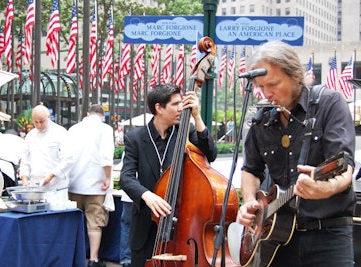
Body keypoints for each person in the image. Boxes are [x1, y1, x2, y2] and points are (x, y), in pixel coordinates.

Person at [237, 41, 355, 267]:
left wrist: (325, 188)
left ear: (296, 75)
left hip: (328, 235)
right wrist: (250, 203)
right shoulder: (262, 119)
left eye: (273, 84)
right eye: (260, 87)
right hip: (277, 240)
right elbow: (251, 169)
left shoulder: (328, 104)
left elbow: (344, 165)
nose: (266, 93)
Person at [119, 84, 217, 267]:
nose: (181, 108)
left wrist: (196, 116)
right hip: (146, 227)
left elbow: (211, 153)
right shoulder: (135, 138)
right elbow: (126, 177)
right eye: (176, 104)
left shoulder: (186, 131)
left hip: (181, 225)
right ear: (159, 108)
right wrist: (146, 195)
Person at [67, 104, 114, 267]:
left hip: (73, 183)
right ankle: (93, 259)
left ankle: (73, 257)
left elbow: (66, 156)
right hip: (96, 184)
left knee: (73, 223)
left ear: (87, 114)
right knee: (95, 223)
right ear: (102, 116)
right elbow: (106, 156)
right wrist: (108, 177)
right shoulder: (105, 129)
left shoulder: (73, 129)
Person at [20, 105, 73, 196]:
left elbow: (68, 160)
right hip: (35, 186)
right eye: (36, 122)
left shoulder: (60, 132)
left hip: (56, 186)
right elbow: (25, 160)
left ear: (48, 117)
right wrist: (24, 178)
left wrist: (51, 175)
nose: (39, 125)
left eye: (41, 121)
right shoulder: (31, 135)